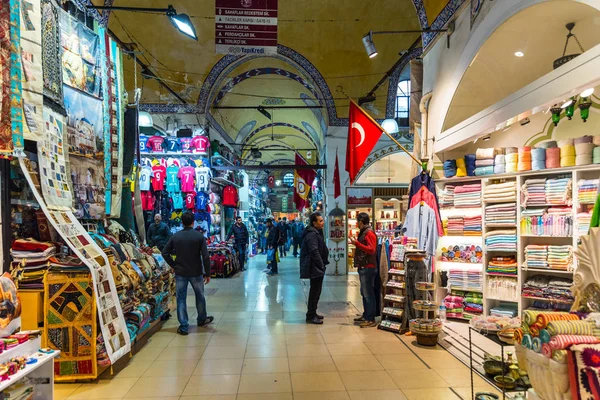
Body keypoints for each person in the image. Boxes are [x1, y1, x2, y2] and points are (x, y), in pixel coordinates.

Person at [162, 212, 213, 335]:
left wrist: (173, 265)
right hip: (196, 271)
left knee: (181, 298)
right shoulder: (199, 237)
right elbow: (205, 256)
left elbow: (165, 252)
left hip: (181, 271)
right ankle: (201, 319)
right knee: (200, 296)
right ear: (193, 222)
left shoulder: (175, 237)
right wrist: (208, 273)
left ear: (182, 222)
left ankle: (184, 326)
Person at [350, 212, 378, 328]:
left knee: (368, 294)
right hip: (364, 266)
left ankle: (370, 318)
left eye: (358, 221)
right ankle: (366, 314)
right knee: (364, 292)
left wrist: (356, 243)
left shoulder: (369, 233)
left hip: (368, 267)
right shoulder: (364, 232)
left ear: (361, 222)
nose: (357, 223)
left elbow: (372, 250)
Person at [300, 212, 329, 324]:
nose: (323, 223)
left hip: (316, 267)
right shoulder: (312, 235)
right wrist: (321, 264)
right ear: (314, 223)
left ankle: (313, 312)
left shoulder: (317, 232)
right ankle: (310, 315)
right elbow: (314, 251)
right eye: (320, 221)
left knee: (316, 291)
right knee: (314, 291)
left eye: (322, 220)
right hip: (314, 267)